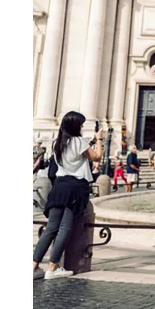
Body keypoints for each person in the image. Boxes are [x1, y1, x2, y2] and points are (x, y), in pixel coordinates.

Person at [33, 111, 104, 280]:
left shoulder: (58, 143)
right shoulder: (79, 141)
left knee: (51, 228)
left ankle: (33, 266)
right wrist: (100, 140)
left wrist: (91, 141)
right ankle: (53, 267)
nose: (81, 127)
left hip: (59, 187)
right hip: (75, 187)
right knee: (65, 227)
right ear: (75, 126)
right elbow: (97, 157)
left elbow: (77, 152)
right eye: (81, 124)